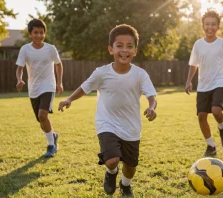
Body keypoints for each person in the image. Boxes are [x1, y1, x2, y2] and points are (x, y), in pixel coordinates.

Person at [58, 24, 157, 197]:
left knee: (131, 166)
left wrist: (151, 107)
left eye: (129, 46)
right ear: (111, 49)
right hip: (107, 124)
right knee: (111, 161)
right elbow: (84, 87)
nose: (124, 50)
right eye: (119, 46)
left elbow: (151, 96)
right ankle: (111, 173)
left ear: (135, 50)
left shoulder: (140, 74)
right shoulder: (101, 73)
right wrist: (69, 99)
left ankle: (125, 185)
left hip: (132, 128)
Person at [185, 10, 223, 157]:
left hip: (219, 81)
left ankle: (222, 128)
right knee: (201, 116)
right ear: (203, 26)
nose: (210, 27)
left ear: (218, 26)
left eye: (213, 24)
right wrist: (189, 81)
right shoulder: (198, 44)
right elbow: (193, 64)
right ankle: (211, 146)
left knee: (216, 110)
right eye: (207, 24)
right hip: (203, 85)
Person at [15, 19, 63, 158]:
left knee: (43, 115)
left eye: (41, 33)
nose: (39, 35)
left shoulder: (50, 48)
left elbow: (59, 65)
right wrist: (19, 79)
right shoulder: (25, 49)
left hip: (48, 85)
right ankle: (53, 135)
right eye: (36, 32)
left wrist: (59, 83)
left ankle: (51, 146)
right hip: (33, 88)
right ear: (30, 33)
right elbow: (20, 68)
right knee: (41, 121)